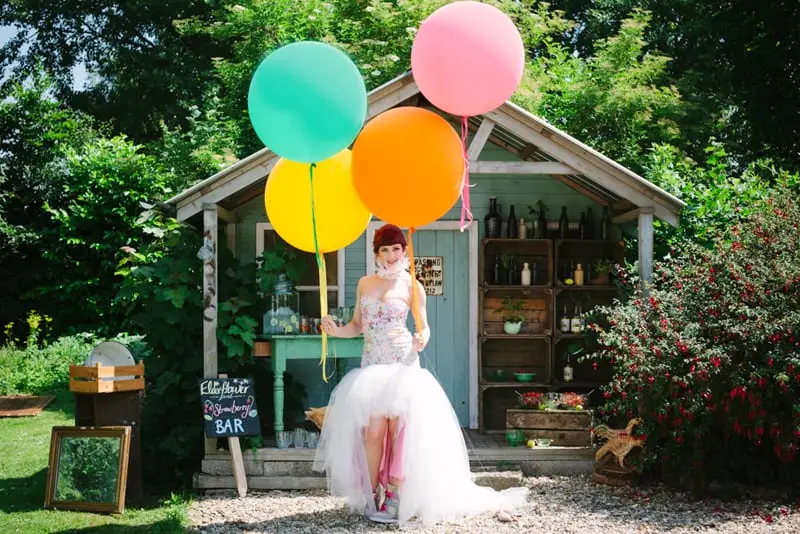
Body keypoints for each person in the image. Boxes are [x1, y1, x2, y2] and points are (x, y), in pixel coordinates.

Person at [312, 223, 529, 525]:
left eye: (395, 249)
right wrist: (337, 331)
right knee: (373, 432)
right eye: (384, 250)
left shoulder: (412, 284)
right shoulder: (365, 283)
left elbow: (423, 325)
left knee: (398, 433)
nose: (390, 255)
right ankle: (371, 492)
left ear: (404, 251)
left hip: (402, 365)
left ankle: (394, 494)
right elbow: (357, 326)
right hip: (372, 367)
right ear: (377, 253)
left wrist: (422, 338)